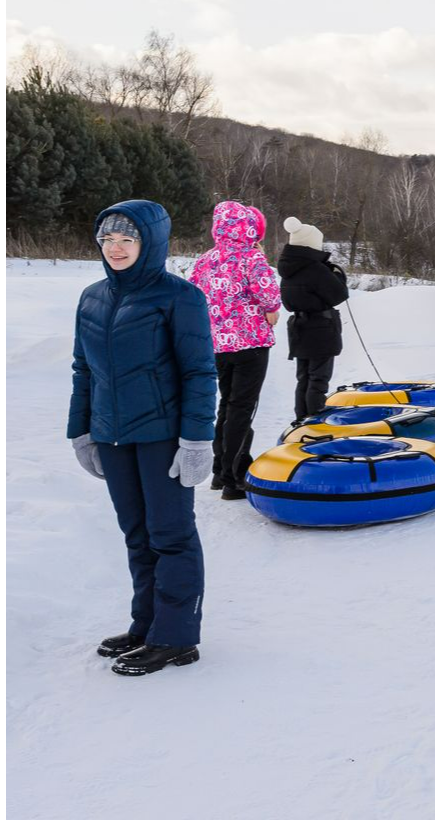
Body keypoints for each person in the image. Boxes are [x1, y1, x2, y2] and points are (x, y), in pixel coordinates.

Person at [69, 201, 216, 676]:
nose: (115, 248)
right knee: (136, 534)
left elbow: (199, 373)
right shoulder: (92, 297)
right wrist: (82, 432)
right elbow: (83, 372)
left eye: (127, 239)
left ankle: (176, 638)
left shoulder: (180, 297)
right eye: (107, 239)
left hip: (163, 436)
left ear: (149, 242)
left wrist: (196, 440)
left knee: (170, 535)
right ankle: (148, 623)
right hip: (113, 437)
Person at [189, 201, 281, 500]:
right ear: (249, 227)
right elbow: (269, 295)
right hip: (251, 344)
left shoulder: (205, 260)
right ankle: (235, 477)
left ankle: (219, 470)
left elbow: (193, 295)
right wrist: (271, 311)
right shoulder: (251, 258)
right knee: (242, 407)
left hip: (217, 345)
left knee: (226, 405)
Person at [278, 216, 349, 422]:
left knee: (304, 379)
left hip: (299, 328)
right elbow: (339, 294)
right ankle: (315, 422)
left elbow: (287, 302)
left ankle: (301, 421)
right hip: (321, 330)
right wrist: (336, 274)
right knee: (318, 380)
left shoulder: (287, 268)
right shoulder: (315, 269)